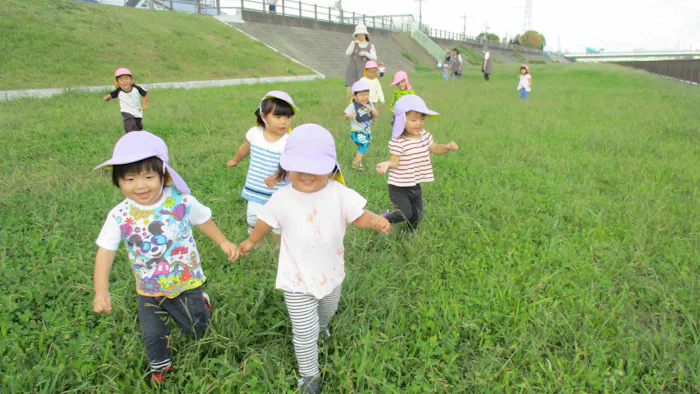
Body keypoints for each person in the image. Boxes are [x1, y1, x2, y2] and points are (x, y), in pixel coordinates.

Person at [238, 124, 391, 394]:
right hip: (296, 279)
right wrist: (251, 240)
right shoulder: (282, 197)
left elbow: (358, 215)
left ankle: (323, 328)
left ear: (331, 168)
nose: (307, 174)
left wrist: (376, 220)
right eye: (298, 167)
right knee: (305, 332)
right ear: (286, 168)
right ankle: (310, 376)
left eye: (316, 168)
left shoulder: (338, 193)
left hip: (331, 274)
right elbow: (264, 221)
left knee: (327, 312)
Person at [92, 131, 239, 387]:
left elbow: (202, 219)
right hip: (148, 289)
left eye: (149, 176)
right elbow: (105, 251)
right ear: (118, 181)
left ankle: (202, 304)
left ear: (164, 175)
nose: (140, 185)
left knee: (195, 328)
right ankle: (161, 367)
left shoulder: (180, 201)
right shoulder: (119, 215)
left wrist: (223, 241)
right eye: (130, 178)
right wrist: (101, 290)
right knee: (153, 333)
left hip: (186, 281)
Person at [376, 95, 459, 233]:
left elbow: (435, 148)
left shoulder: (424, 136)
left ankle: (407, 234)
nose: (419, 123)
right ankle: (382, 219)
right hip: (399, 186)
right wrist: (386, 164)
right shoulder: (399, 141)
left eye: (422, 118)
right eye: (413, 119)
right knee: (404, 213)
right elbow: (394, 160)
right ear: (401, 121)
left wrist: (447, 147)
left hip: (414, 184)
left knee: (417, 215)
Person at [226, 91, 298, 239]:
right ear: (264, 116)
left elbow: (291, 165)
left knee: (278, 220)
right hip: (256, 188)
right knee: (253, 216)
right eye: (277, 117)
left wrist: (277, 177)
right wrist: (235, 160)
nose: (284, 122)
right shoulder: (255, 134)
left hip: (278, 191)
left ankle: (277, 242)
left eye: (288, 117)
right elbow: (244, 149)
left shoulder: (288, 141)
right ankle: (256, 235)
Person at [344, 80, 378, 171]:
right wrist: (349, 115)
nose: (365, 97)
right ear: (354, 96)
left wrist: (371, 109)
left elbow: (376, 115)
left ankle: (357, 159)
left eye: (367, 94)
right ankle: (356, 165)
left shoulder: (369, 104)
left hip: (367, 132)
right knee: (363, 145)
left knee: (365, 146)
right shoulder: (353, 106)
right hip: (356, 131)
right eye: (362, 95)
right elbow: (345, 116)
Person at [103, 68, 148, 133]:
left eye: (127, 79)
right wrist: (107, 98)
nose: (124, 81)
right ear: (118, 82)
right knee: (130, 125)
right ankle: (129, 138)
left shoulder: (137, 88)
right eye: (121, 80)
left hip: (137, 112)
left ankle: (137, 138)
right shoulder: (119, 90)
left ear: (131, 80)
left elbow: (146, 94)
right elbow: (111, 95)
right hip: (126, 112)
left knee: (138, 128)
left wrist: (144, 105)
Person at [344, 24, 377, 99]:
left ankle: (365, 110)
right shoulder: (354, 44)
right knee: (351, 95)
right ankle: (352, 110)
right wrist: (353, 43)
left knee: (364, 94)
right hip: (352, 72)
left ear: (365, 34)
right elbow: (347, 53)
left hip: (364, 73)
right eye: (358, 34)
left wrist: (365, 53)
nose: (360, 36)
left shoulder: (370, 46)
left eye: (361, 34)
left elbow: (374, 58)